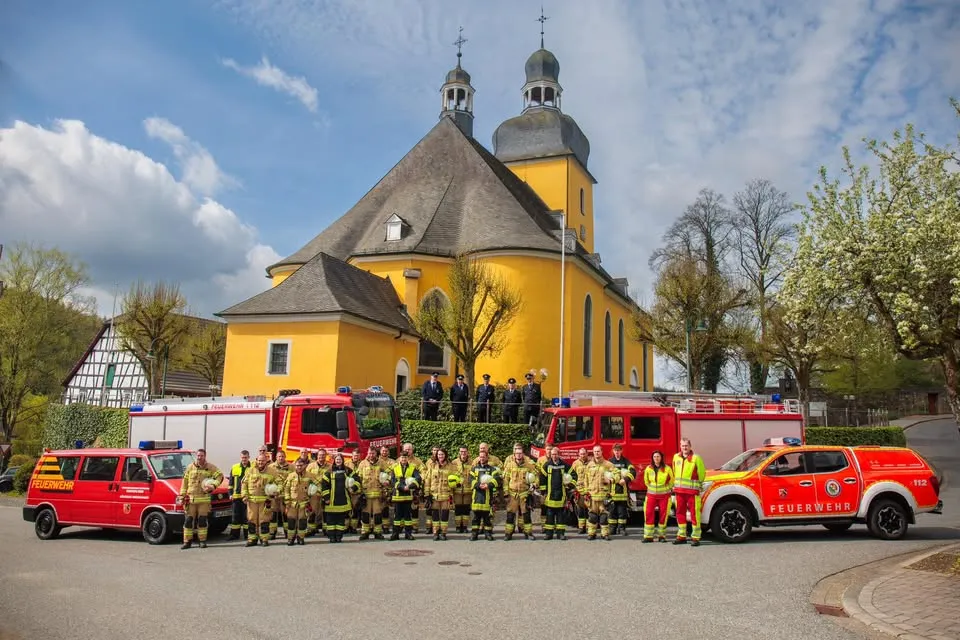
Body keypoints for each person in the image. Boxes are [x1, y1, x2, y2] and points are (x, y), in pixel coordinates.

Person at [178, 448, 223, 549]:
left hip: (204, 500)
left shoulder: (210, 467)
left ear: (205, 456)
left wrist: (214, 486)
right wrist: (182, 495)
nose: (199, 457)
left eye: (201, 456)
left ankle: (202, 541)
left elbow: (220, 476)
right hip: (190, 500)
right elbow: (184, 483)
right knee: (188, 521)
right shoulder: (190, 467)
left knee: (202, 521)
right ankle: (187, 542)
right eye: (198, 456)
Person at [672, 438, 706, 546]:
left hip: (692, 492)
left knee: (695, 514)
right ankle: (682, 536)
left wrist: (698, 485)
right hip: (679, 491)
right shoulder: (676, 457)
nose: (684, 448)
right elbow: (674, 471)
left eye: (686, 445)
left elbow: (702, 474)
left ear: (690, 446)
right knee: (680, 513)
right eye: (682, 446)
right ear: (680, 446)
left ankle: (696, 537)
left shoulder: (696, 458)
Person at [501, 443, 538, 540]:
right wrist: (506, 493)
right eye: (517, 453)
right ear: (514, 454)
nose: (519, 455)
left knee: (526, 515)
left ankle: (528, 533)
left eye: (520, 453)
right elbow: (505, 480)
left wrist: (534, 484)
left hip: (524, 494)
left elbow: (536, 477)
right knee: (510, 515)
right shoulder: (509, 465)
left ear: (523, 454)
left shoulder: (529, 465)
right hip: (513, 495)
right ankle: (508, 534)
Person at [322, 453, 359, 543]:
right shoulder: (328, 472)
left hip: (343, 500)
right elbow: (324, 485)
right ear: (334, 461)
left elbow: (357, 480)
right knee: (330, 520)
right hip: (331, 501)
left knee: (340, 520)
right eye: (337, 459)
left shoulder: (347, 470)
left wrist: (353, 488)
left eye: (340, 459)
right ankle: (331, 537)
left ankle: (339, 536)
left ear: (343, 461)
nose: (338, 461)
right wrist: (326, 498)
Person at [241, 453, 274, 547]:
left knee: (264, 520)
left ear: (266, 461)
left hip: (265, 501)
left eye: (263, 460)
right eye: (259, 460)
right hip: (252, 501)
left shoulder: (272, 471)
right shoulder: (250, 470)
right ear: (256, 460)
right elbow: (244, 484)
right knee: (251, 520)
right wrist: (244, 495)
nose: (260, 462)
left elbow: (279, 483)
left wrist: (275, 491)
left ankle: (264, 539)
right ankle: (252, 539)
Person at [583, 445, 615, 540]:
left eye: (598, 451)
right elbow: (586, 480)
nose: (596, 453)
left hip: (604, 496)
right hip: (592, 496)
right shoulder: (589, 465)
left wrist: (611, 480)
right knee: (592, 516)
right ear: (593, 453)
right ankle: (591, 534)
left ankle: (605, 534)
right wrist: (586, 493)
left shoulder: (608, 465)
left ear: (602, 452)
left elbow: (617, 475)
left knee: (604, 516)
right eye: (595, 451)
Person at [539, 447, 571, 540]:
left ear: (559, 454)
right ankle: (549, 534)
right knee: (549, 516)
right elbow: (542, 479)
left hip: (561, 495)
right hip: (550, 495)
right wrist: (543, 492)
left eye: (555, 454)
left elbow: (573, 474)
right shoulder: (546, 465)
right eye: (552, 454)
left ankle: (560, 534)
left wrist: (570, 485)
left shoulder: (564, 465)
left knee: (560, 516)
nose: (554, 456)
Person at [642, 450, 674, 543]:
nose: (656, 458)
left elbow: (672, 480)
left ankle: (662, 536)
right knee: (648, 514)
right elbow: (646, 480)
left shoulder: (667, 468)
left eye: (658, 456)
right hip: (651, 495)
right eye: (655, 456)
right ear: (652, 458)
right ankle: (648, 536)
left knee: (663, 515)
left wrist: (667, 488)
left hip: (664, 496)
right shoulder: (648, 468)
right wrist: (650, 488)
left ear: (661, 458)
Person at [390, 451, 421, 540]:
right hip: (397, 496)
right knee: (397, 517)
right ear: (399, 458)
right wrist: (402, 487)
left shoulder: (412, 467)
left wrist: (410, 486)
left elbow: (418, 478)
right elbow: (393, 481)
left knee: (408, 516)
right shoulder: (395, 468)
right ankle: (395, 534)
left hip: (408, 496)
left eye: (405, 457)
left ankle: (408, 534)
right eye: (402, 458)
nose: (403, 459)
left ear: (408, 458)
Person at [356, 447, 385, 540]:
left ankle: (378, 532)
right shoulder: (362, 464)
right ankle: (365, 532)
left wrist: (387, 483)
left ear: (376, 454)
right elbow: (358, 478)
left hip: (378, 495)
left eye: (373, 453)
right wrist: (359, 492)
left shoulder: (381, 463)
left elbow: (388, 475)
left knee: (378, 515)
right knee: (365, 515)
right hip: (366, 495)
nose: (371, 455)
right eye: (369, 453)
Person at [426, 448, 456, 540]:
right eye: (439, 455)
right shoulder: (432, 466)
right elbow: (428, 480)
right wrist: (427, 494)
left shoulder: (451, 466)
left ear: (445, 455)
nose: (440, 456)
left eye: (442, 454)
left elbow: (457, 478)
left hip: (446, 495)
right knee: (435, 515)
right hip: (434, 495)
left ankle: (443, 533)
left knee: (444, 515)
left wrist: (456, 483)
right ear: (436, 456)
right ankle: (435, 533)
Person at [284, 457, 314, 546]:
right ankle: (290, 539)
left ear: (304, 465)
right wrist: (287, 500)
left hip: (304, 504)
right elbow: (286, 489)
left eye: (301, 465)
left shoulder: (310, 475)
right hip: (292, 504)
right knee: (291, 522)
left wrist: (313, 492)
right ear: (295, 466)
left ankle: (301, 538)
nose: (299, 467)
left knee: (302, 522)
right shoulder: (291, 476)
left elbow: (318, 485)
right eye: (297, 465)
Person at [607, 444, 636, 536]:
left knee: (622, 512)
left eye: (619, 450)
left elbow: (633, 472)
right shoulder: (610, 462)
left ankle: (622, 528)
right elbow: (605, 473)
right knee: (612, 512)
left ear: (621, 451)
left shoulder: (625, 461)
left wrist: (626, 479)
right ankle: (612, 529)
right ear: (613, 451)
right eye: (615, 450)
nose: (617, 452)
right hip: (612, 492)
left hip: (623, 493)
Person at [470, 450, 498, 541]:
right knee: (476, 518)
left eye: (483, 457)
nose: (481, 458)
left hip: (487, 497)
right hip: (477, 497)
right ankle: (474, 534)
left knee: (487, 518)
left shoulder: (492, 469)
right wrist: (479, 485)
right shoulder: (474, 469)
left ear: (487, 457)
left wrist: (488, 485)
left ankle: (488, 534)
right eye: (480, 457)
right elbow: (471, 480)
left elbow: (496, 479)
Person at [266, 449, 290, 539]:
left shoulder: (291, 467)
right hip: (274, 495)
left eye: (282, 456)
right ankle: (272, 533)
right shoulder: (271, 467)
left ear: (285, 457)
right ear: (276, 457)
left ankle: (288, 532)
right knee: (273, 514)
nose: (281, 458)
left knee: (286, 514)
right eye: (279, 456)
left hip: (285, 495)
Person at [228, 450, 251, 540]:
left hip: (247, 497)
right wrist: (230, 494)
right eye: (242, 458)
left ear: (249, 457)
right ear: (240, 457)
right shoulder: (235, 467)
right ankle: (234, 535)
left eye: (245, 457)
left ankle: (247, 535)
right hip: (236, 496)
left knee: (247, 517)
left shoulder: (252, 467)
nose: (244, 459)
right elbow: (231, 482)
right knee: (235, 517)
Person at [305, 449, 328, 537]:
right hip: (313, 494)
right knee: (312, 511)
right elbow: (306, 478)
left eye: (323, 455)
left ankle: (325, 529)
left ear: (325, 456)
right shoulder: (311, 466)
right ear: (317, 456)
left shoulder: (329, 467)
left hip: (324, 493)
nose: (321, 456)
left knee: (324, 512)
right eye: (320, 455)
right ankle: (311, 529)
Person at [451, 446, 473, 533]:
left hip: (468, 490)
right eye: (461, 451)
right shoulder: (454, 462)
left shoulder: (472, 462)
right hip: (457, 490)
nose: (463, 453)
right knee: (458, 508)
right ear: (459, 452)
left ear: (468, 452)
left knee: (466, 509)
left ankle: (464, 526)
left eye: (465, 451)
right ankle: (457, 527)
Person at [569, 448, 590, 534]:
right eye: (581, 454)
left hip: (589, 491)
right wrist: (573, 488)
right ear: (578, 454)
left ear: (587, 453)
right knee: (580, 510)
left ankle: (589, 528)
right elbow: (572, 476)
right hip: (579, 490)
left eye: (584, 453)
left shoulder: (591, 463)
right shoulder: (575, 463)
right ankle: (581, 527)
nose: (582, 455)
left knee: (590, 510)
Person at [378, 445, 395, 534]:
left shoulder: (392, 462)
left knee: (386, 509)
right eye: (383, 451)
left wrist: (388, 481)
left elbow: (394, 473)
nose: (384, 452)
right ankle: (377, 526)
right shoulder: (377, 461)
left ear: (388, 452)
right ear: (380, 451)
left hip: (388, 488)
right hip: (378, 488)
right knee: (378, 508)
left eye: (386, 451)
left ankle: (386, 526)